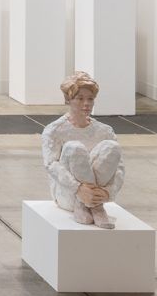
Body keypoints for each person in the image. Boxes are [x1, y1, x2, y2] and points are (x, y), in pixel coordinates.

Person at [41, 71, 124, 227]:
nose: (86, 103)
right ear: (68, 99)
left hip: (98, 195)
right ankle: (89, 205)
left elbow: (119, 168)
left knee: (112, 147)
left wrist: (107, 192)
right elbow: (51, 165)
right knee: (74, 148)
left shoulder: (105, 131)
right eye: (80, 98)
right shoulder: (54, 130)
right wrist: (78, 189)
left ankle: (94, 206)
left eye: (90, 99)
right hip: (68, 193)